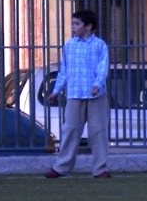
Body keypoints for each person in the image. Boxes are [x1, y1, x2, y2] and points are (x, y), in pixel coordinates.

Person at [44, 9, 112, 179]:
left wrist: (97, 84)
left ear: (88, 26)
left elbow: (103, 68)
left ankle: (100, 168)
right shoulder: (69, 45)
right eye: (73, 23)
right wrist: (56, 90)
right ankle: (61, 167)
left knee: (98, 131)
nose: (73, 27)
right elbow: (64, 70)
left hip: (96, 96)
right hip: (74, 94)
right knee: (70, 130)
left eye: (77, 24)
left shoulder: (99, 45)